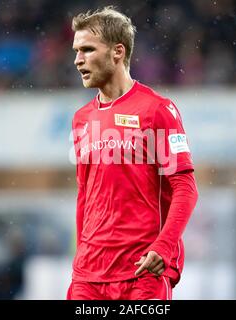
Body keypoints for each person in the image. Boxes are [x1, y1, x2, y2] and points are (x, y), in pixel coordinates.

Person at [67, 6, 198, 300]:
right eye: (76, 51)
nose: (77, 60)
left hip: (142, 273)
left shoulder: (158, 110)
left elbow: (186, 188)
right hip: (89, 278)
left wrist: (164, 247)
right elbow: (85, 196)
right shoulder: (81, 119)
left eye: (87, 49)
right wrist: (79, 264)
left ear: (117, 52)